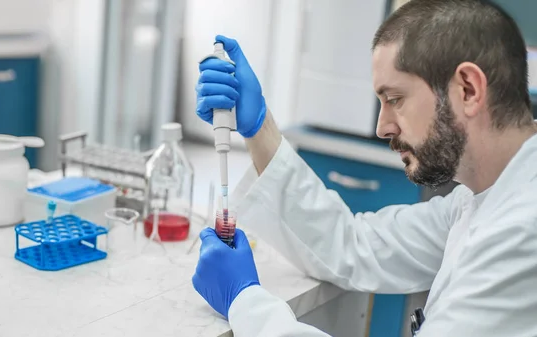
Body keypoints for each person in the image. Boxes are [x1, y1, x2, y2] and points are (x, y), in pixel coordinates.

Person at [191, 0, 537, 336]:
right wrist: (258, 127)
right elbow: (353, 245)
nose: (382, 127)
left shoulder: (523, 228)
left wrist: (245, 300)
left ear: (468, 89)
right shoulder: (479, 200)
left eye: (395, 100)